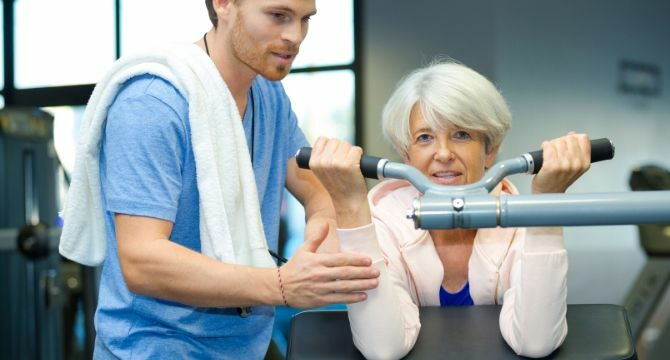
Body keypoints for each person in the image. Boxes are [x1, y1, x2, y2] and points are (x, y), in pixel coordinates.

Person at [63, 0, 380, 358]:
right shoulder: (152, 103)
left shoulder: (268, 95)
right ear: (224, 4)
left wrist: (322, 229)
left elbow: (312, 185)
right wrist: (282, 285)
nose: (295, 36)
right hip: (158, 347)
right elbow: (141, 260)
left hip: (245, 343)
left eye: (304, 20)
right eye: (278, 16)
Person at [309, 60, 591, 359]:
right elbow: (383, 348)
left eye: (461, 135)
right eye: (425, 138)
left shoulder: (520, 217)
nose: (443, 154)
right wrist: (350, 206)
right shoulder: (380, 220)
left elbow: (536, 342)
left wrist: (547, 201)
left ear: (490, 149)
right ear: (407, 154)